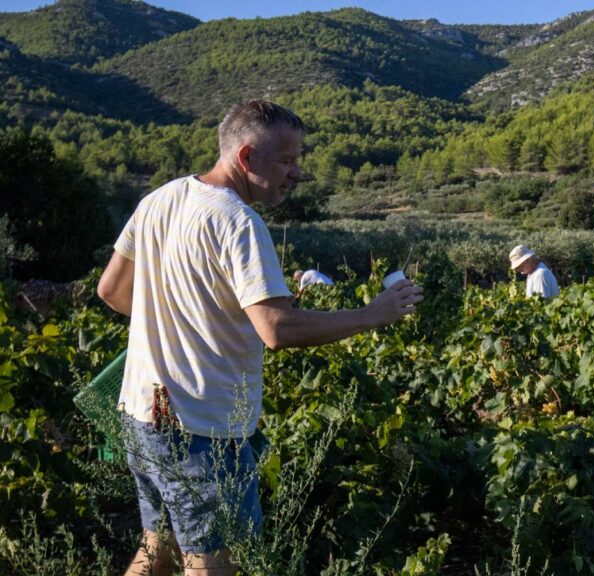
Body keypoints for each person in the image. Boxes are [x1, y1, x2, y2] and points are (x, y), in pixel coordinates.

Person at [97, 99, 423, 576]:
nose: (298, 173)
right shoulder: (238, 221)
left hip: (142, 415)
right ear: (247, 158)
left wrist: (180, 321)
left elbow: (111, 290)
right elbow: (277, 329)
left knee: (157, 550)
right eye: (288, 161)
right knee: (213, 565)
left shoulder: (160, 199)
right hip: (201, 427)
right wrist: (374, 314)